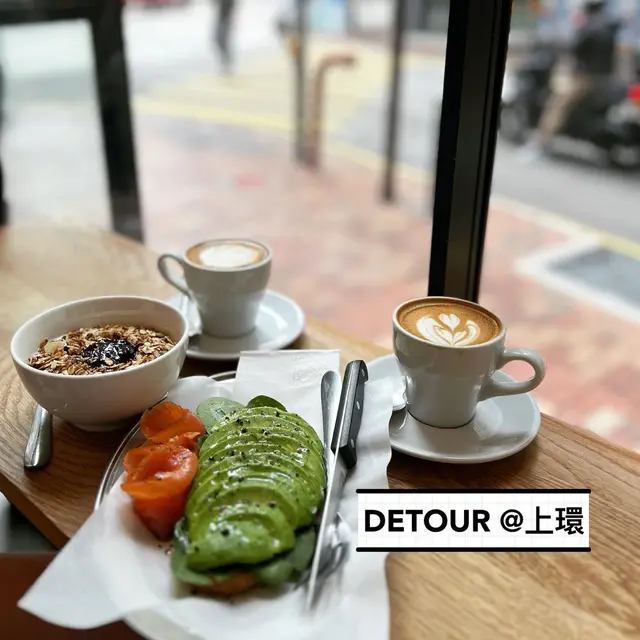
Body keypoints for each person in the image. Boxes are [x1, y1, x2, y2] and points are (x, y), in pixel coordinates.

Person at [521, 0, 621, 160]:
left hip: (586, 77)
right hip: (597, 76)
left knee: (557, 103)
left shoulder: (594, 24)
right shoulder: (608, 22)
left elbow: (576, 46)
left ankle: (540, 143)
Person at [213, 0, 236, 75]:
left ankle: (227, 64)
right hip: (221, 19)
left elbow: (232, 9)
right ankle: (226, 63)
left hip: (225, 20)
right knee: (219, 41)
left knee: (222, 41)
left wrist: (231, 20)